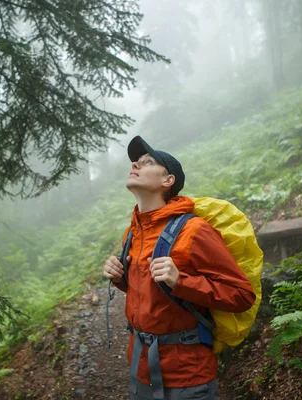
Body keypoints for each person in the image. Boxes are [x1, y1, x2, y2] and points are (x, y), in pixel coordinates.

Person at [103, 136, 256, 400]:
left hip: (187, 377)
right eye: (135, 162)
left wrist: (181, 281)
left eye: (147, 162)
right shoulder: (133, 232)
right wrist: (120, 278)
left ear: (168, 181)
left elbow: (242, 295)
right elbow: (153, 297)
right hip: (140, 371)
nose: (135, 165)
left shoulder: (194, 231)